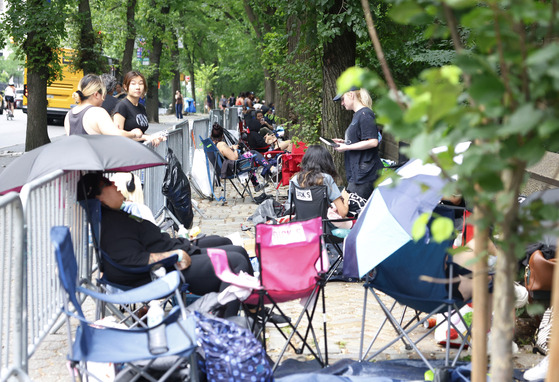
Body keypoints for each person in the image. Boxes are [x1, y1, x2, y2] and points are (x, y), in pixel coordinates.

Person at [77, 172, 253, 317]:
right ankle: (227, 335)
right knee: (236, 262)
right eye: (109, 184)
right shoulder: (111, 225)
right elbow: (131, 259)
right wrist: (173, 255)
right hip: (164, 269)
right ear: (99, 198)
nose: (116, 185)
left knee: (236, 249)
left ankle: (253, 313)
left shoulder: (115, 215)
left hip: (170, 250)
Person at [333, 87, 383, 201]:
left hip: (365, 176)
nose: (342, 103)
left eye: (342, 99)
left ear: (351, 95)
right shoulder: (358, 115)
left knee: (356, 209)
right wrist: (344, 142)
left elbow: (373, 141)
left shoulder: (365, 114)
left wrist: (347, 147)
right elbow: (361, 140)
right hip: (357, 174)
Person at [64, 74, 143, 139]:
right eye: (104, 94)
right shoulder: (97, 112)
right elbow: (117, 135)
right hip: (94, 157)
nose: (104, 99)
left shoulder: (70, 114)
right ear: (96, 94)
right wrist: (133, 133)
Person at [288, 145, 348, 219]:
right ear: (326, 162)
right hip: (322, 226)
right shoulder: (326, 179)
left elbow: (290, 204)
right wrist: (346, 199)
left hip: (301, 225)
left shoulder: (294, 180)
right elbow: (343, 213)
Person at [211, 122, 267, 193]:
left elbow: (224, 152)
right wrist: (235, 149)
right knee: (252, 153)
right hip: (231, 169)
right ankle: (270, 168)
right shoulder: (222, 144)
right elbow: (234, 158)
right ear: (222, 135)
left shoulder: (212, 144)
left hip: (221, 169)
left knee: (248, 160)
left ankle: (256, 185)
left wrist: (229, 148)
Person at [113, 71, 164, 146]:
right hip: (126, 151)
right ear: (125, 87)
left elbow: (141, 134)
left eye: (141, 84)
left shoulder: (141, 107)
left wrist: (153, 137)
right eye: (133, 84)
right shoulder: (122, 106)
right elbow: (117, 134)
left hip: (141, 151)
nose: (137, 87)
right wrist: (144, 137)